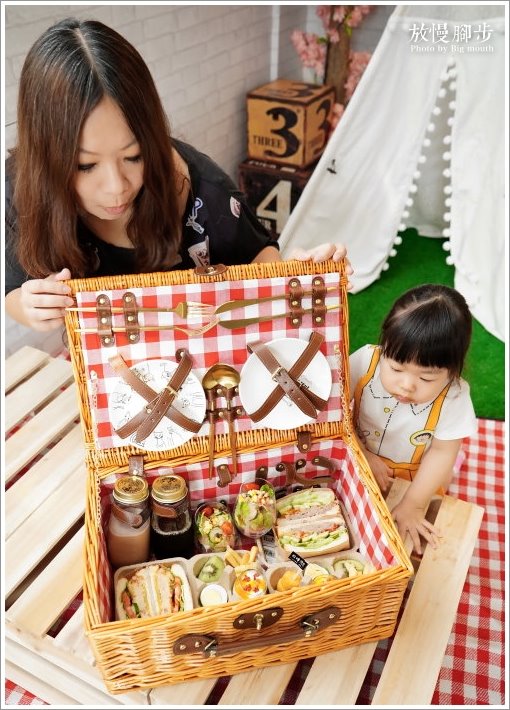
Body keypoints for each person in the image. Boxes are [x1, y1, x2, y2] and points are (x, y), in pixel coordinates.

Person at [5, 17, 351, 332]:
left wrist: (297, 275)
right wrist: (30, 305)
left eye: (134, 156)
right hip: (104, 363)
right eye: (85, 165)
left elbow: (262, 264)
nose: (116, 188)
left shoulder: (205, 194)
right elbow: (12, 290)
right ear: (45, 158)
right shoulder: (23, 187)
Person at [349, 284, 477, 554]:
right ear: (384, 347)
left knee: (413, 531)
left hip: (417, 474)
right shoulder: (365, 361)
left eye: (426, 378)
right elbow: (335, 411)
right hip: (359, 453)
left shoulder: (454, 396)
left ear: (452, 372)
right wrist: (363, 454)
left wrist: (413, 504)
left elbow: (442, 452)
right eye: (396, 368)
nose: (406, 385)